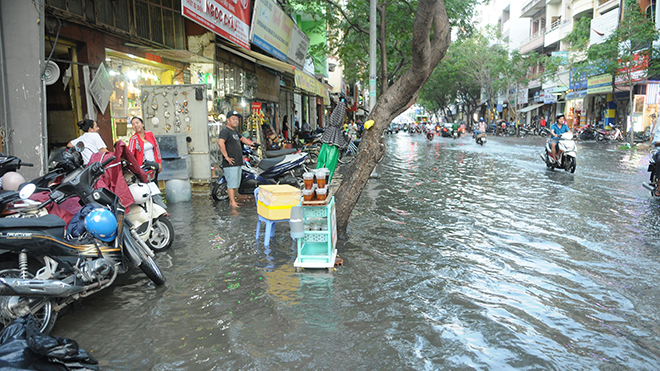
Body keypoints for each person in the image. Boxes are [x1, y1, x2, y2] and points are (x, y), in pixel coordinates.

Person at [218, 110, 255, 208]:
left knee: (235, 183)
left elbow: (242, 138)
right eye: (233, 119)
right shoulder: (225, 131)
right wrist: (226, 157)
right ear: (228, 120)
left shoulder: (234, 131)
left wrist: (250, 143)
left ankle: (233, 200)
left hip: (238, 162)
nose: (235, 121)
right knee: (231, 183)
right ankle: (232, 202)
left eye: (237, 119)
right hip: (231, 163)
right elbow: (220, 143)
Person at [128, 116, 162, 181]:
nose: (135, 125)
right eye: (133, 124)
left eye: (137, 123)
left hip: (154, 164)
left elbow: (157, 149)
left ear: (142, 124)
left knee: (154, 185)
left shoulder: (149, 134)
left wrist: (159, 163)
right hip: (143, 167)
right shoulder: (133, 139)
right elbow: (130, 154)